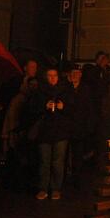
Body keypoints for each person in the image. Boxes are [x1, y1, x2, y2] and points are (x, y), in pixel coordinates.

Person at [34, 67, 74, 200]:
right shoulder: (39, 91)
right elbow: (31, 109)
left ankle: (56, 188)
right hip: (44, 131)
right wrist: (43, 106)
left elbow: (74, 109)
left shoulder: (65, 90)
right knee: (44, 161)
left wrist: (64, 107)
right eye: (49, 75)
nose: (52, 78)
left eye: (54, 75)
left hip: (60, 131)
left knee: (58, 162)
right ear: (46, 77)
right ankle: (43, 188)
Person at [67, 64, 95, 185]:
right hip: (67, 126)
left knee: (78, 153)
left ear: (81, 75)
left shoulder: (86, 89)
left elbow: (89, 109)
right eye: (73, 73)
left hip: (80, 127)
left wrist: (88, 126)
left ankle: (76, 176)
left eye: (77, 73)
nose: (75, 75)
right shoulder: (66, 88)